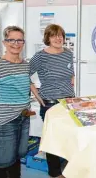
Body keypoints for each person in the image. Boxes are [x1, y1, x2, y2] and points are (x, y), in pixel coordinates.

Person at [0, 26, 35, 178]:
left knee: (17, 158)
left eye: (19, 40)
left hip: (24, 117)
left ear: (23, 43)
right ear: (5, 42)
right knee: (2, 162)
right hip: (5, 120)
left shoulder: (25, 65)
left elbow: (26, 88)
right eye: (11, 39)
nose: (16, 43)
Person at [30, 24, 75, 178]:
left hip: (69, 102)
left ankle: (70, 170)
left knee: (70, 137)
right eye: (54, 35)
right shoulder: (40, 56)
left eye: (60, 35)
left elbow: (70, 74)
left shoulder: (68, 53)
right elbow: (25, 74)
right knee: (53, 138)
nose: (58, 38)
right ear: (48, 38)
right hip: (50, 103)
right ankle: (55, 173)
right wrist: (37, 94)